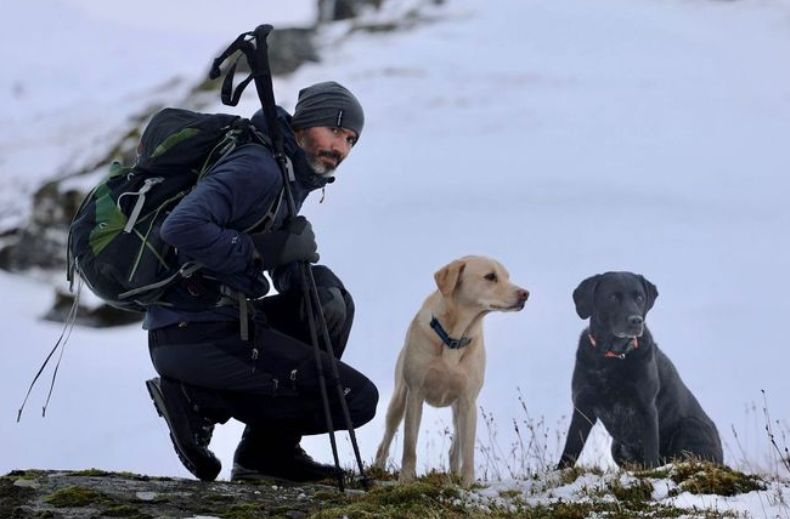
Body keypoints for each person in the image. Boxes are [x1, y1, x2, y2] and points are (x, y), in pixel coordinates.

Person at [142, 81, 378, 483]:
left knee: (331, 301)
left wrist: (299, 266)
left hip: (221, 321)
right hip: (193, 330)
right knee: (355, 400)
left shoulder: (290, 176)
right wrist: (265, 249)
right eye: (334, 130)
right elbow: (180, 228)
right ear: (304, 124)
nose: (340, 148)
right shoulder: (258, 167)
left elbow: (268, 254)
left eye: (350, 139)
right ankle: (196, 399)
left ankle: (266, 454)